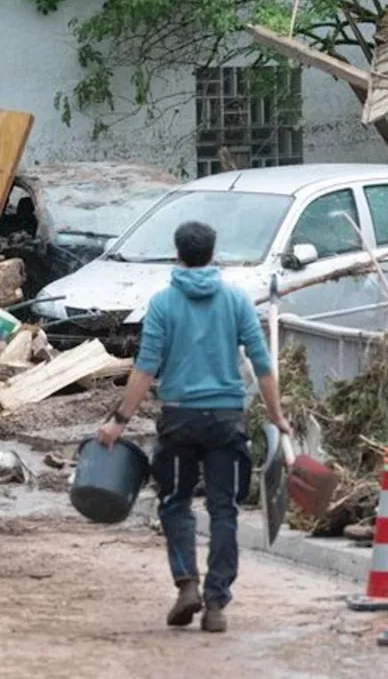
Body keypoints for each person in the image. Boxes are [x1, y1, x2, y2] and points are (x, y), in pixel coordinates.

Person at [97, 220, 292, 633]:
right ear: (213, 253)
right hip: (226, 420)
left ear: (178, 253)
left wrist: (118, 421)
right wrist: (276, 415)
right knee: (225, 510)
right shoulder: (237, 301)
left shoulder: (164, 303)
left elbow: (145, 369)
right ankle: (217, 604)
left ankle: (187, 582)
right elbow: (262, 364)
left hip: (180, 420)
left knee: (175, 502)